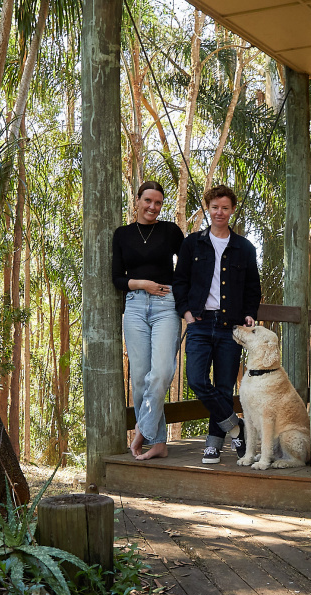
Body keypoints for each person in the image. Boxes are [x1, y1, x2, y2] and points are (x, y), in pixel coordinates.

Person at [173, 184, 261, 464]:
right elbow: (180, 281)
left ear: (232, 210)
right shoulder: (192, 243)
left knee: (224, 386)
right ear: (208, 209)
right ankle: (237, 427)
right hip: (199, 323)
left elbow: (252, 288)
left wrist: (249, 313)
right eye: (215, 207)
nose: (219, 212)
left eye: (225, 208)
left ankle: (213, 443)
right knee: (197, 380)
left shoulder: (244, 248)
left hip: (230, 326)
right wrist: (186, 313)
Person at [112, 181, 184, 460]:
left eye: (158, 203)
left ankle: (142, 431)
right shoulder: (122, 235)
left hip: (167, 306)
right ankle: (158, 443)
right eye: (148, 201)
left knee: (163, 372)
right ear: (137, 201)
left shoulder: (170, 231)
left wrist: (174, 289)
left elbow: (189, 264)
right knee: (140, 379)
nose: (153, 207)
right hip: (134, 307)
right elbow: (117, 278)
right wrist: (142, 283)